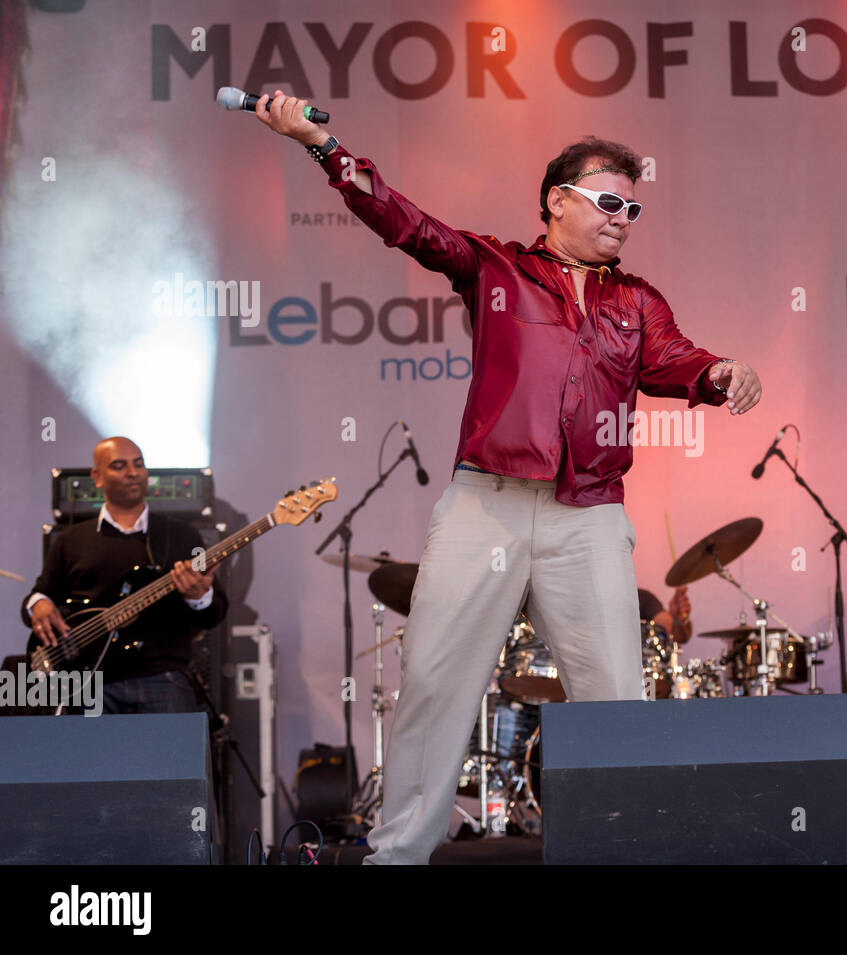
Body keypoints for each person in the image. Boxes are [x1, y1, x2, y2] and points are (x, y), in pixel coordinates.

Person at [254, 93, 762, 863]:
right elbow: (406, 224)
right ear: (558, 201)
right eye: (609, 201)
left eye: (635, 206)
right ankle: (397, 853)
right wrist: (322, 145)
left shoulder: (637, 300)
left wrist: (718, 372)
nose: (625, 216)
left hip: (588, 511)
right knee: (433, 682)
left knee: (615, 699)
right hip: (484, 503)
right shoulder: (497, 268)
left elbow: (673, 357)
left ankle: (623, 852)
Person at [22, 437, 227, 714]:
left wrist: (199, 595)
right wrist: (39, 604)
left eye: (139, 464)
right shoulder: (71, 540)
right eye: (119, 466)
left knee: (172, 757)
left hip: (162, 678)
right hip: (90, 682)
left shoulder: (183, 537)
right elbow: (39, 595)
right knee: (91, 758)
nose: (133, 473)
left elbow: (214, 612)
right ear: (97, 477)